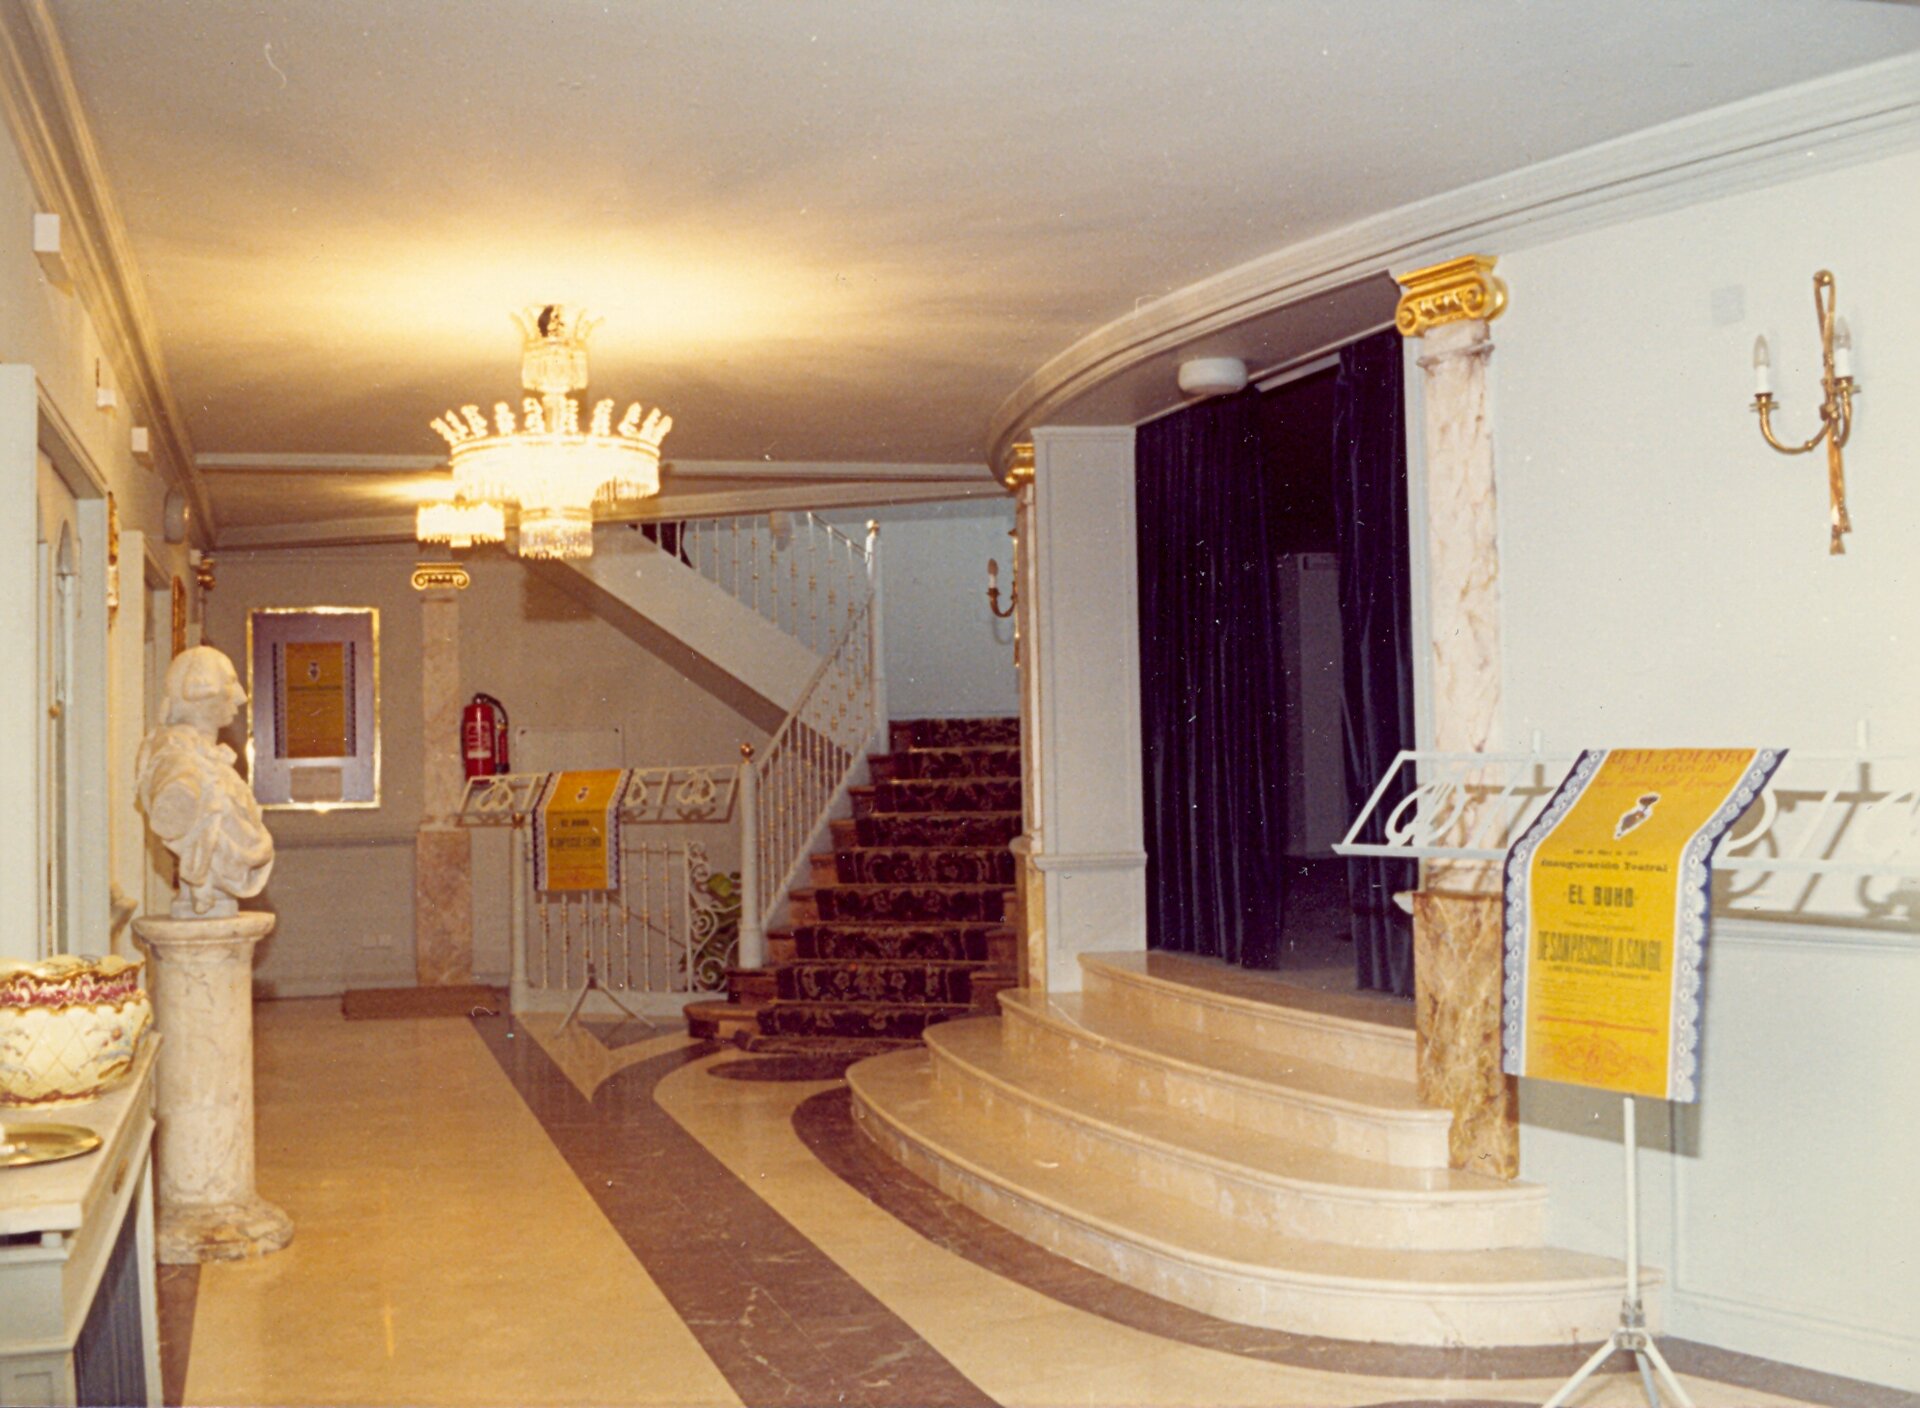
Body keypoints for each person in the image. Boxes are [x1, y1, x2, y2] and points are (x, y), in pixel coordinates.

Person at [135, 646, 275, 918]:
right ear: (201, 691)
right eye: (230, 683)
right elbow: (176, 812)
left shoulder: (209, 762)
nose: (240, 697)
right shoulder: (177, 766)